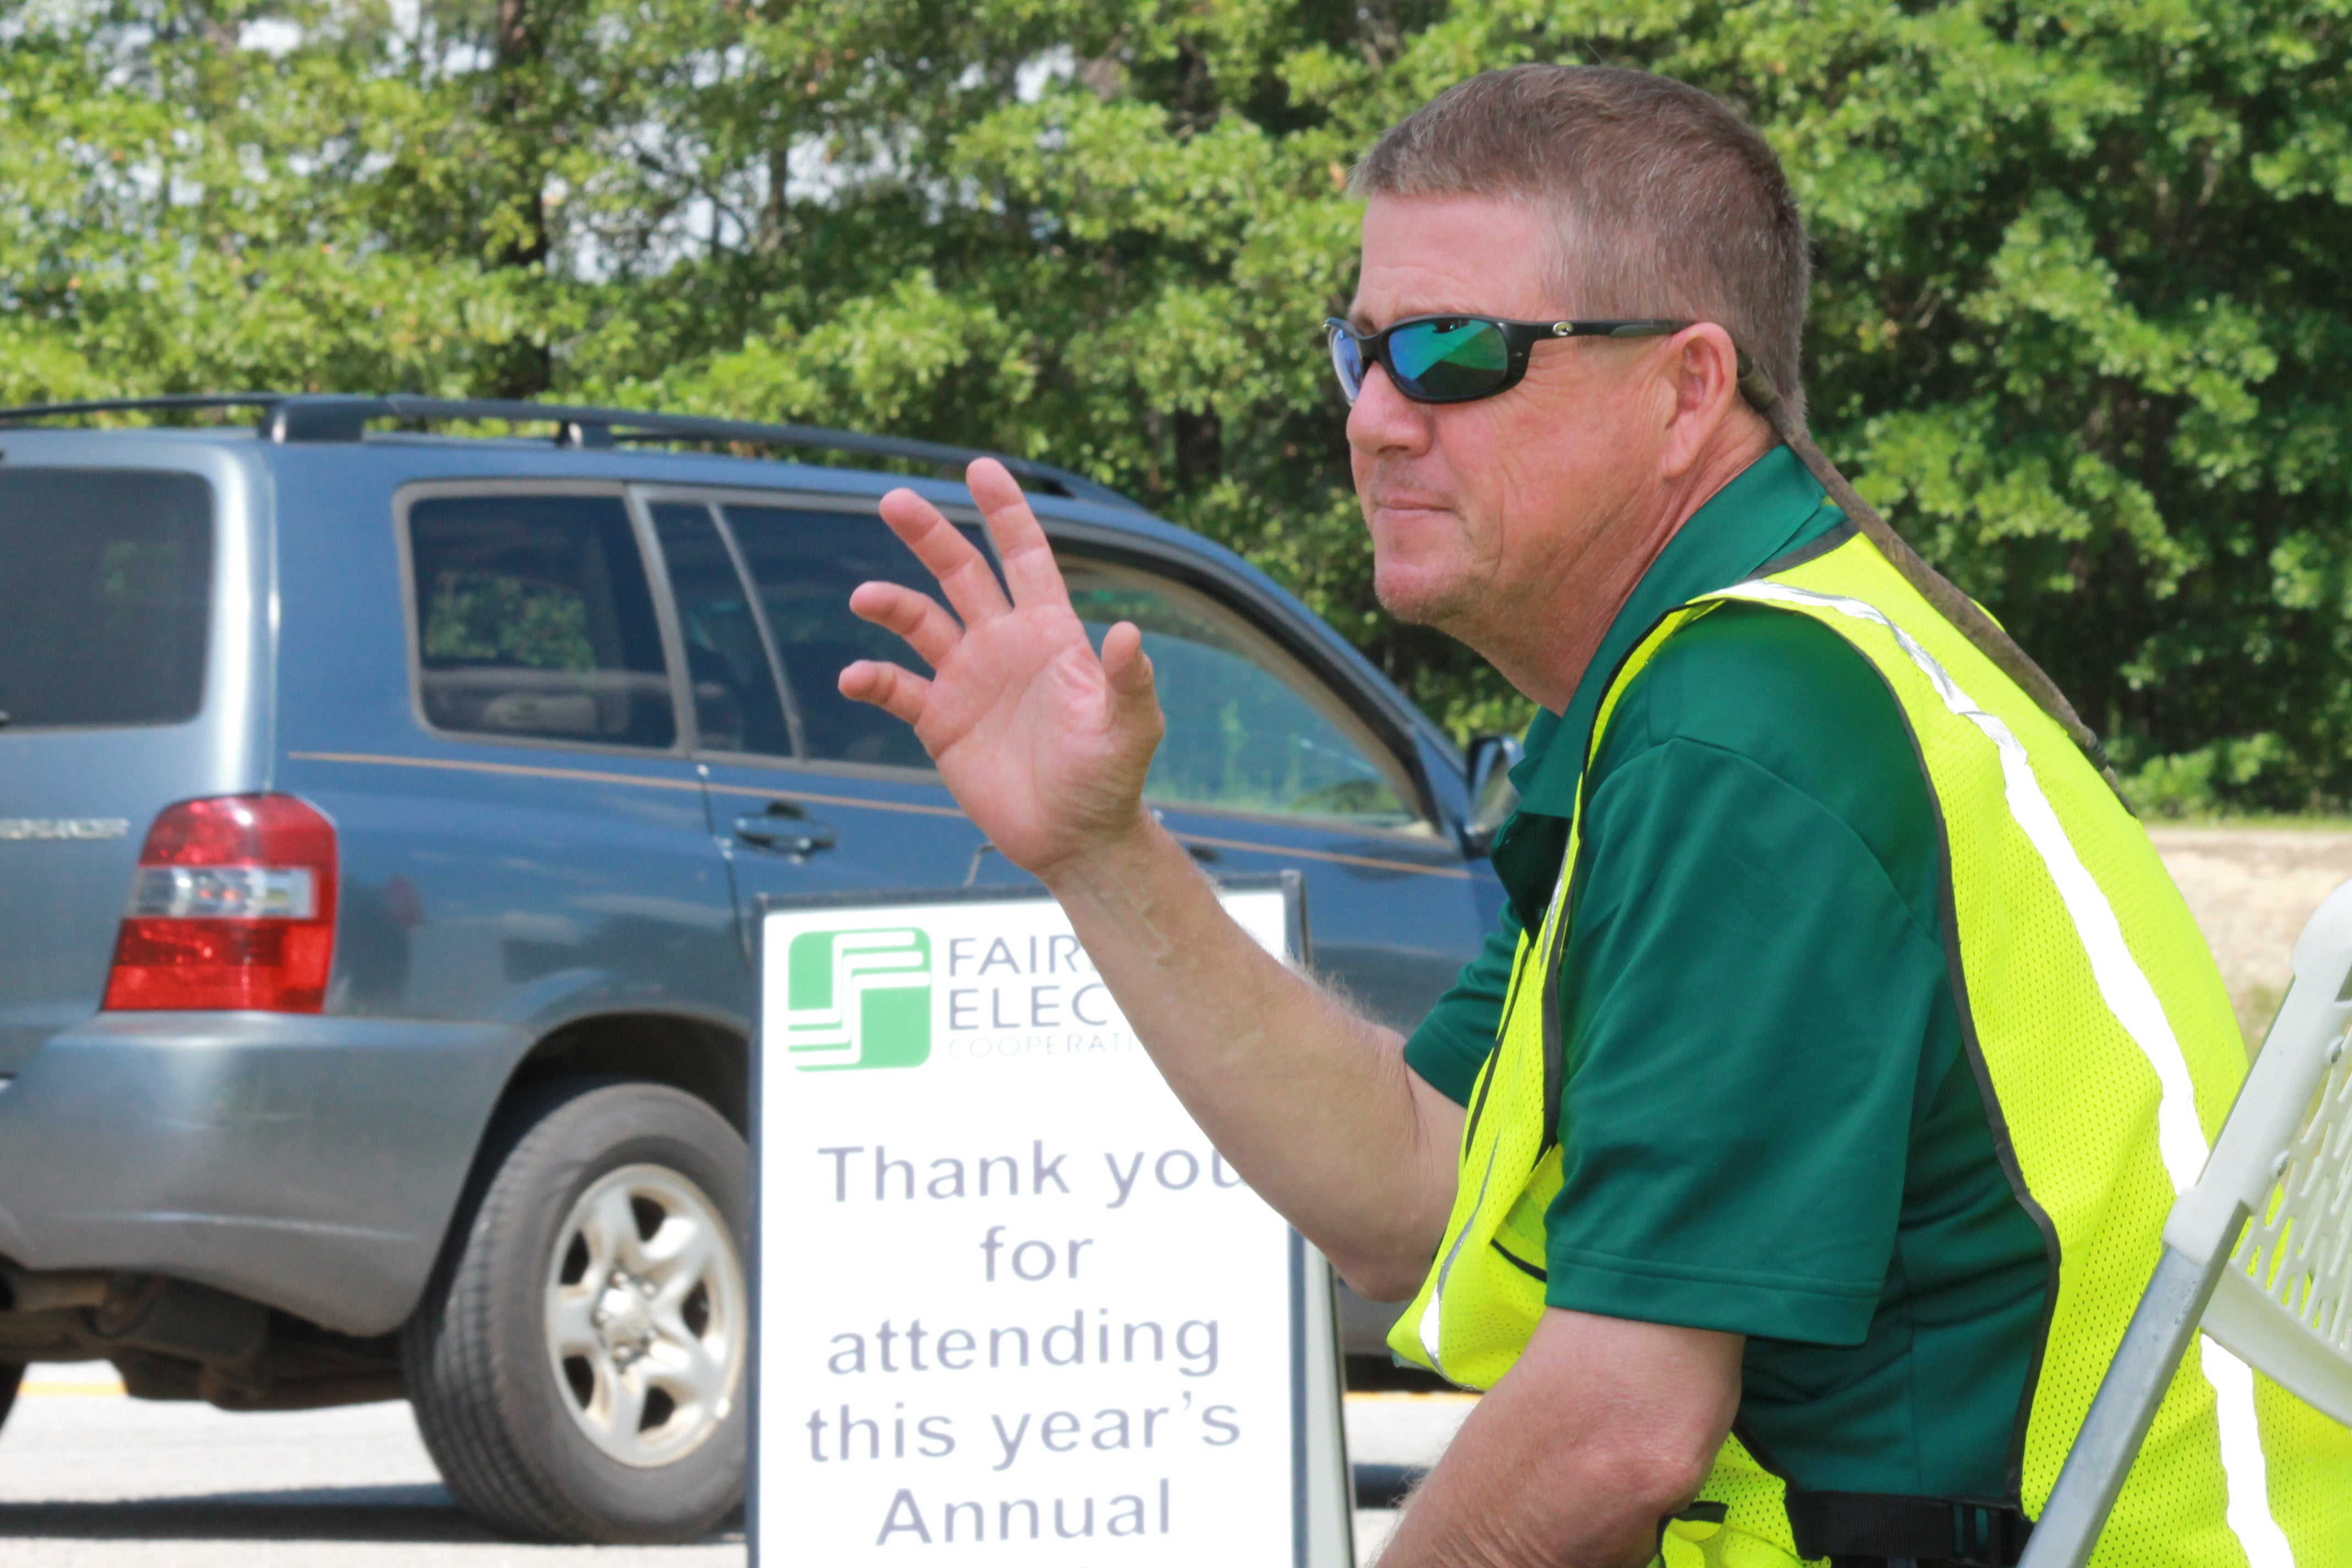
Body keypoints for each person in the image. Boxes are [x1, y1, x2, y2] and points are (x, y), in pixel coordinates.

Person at [838, 64, 2347, 1568]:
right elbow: (1409, 1189)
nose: (1374, 420)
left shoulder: (1754, 725)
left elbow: (1619, 1432)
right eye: (1356, 351)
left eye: (1450, 354)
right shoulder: (1711, 681)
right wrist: (1102, 852)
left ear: (1688, 389)